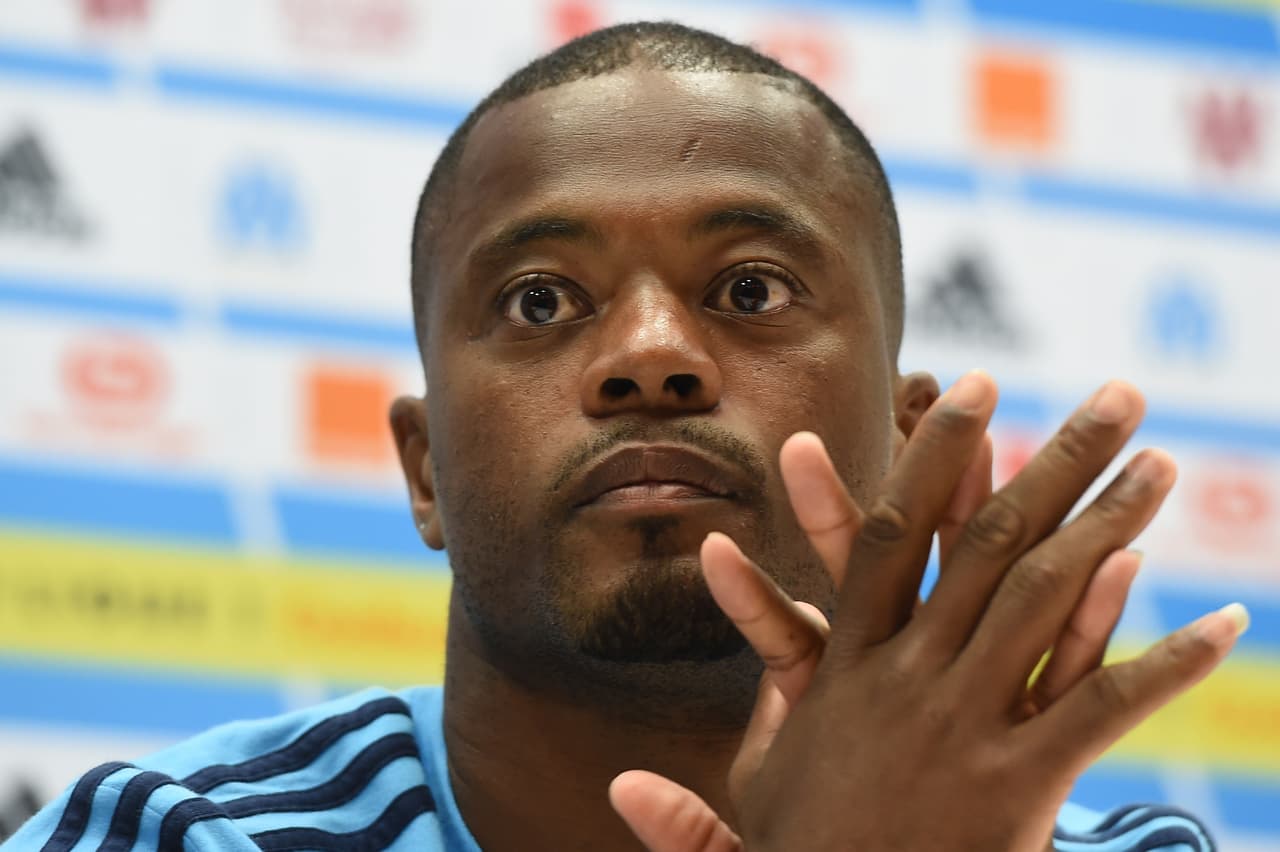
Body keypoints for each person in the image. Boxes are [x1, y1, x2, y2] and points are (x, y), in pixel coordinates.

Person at [5, 22, 1246, 852]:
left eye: (749, 289)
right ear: (425, 470)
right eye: (540, 301)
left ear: (905, 445)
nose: (650, 355)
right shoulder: (176, 836)